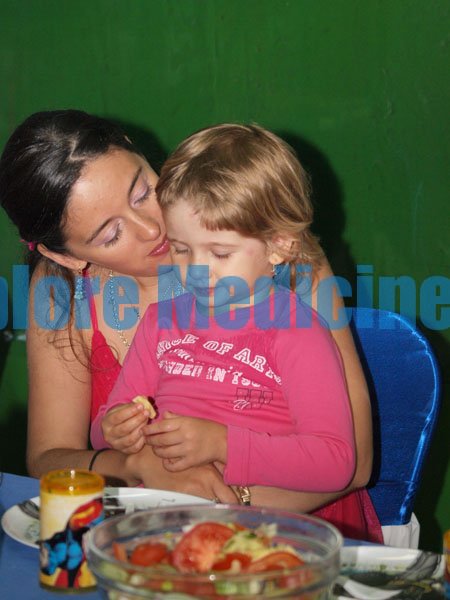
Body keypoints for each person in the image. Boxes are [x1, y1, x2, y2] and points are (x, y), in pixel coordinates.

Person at [0, 110, 380, 540]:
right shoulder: (62, 290)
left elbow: (354, 463)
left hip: (301, 527)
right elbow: (48, 458)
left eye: (142, 191)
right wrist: (133, 466)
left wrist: (221, 506)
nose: (151, 228)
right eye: (111, 235)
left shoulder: (271, 247)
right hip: (156, 529)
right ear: (65, 256)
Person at [93, 123, 357, 502]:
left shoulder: (298, 332)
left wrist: (223, 445)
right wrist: (115, 429)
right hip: (154, 509)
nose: (197, 270)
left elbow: (335, 461)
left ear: (279, 246)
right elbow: (104, 427)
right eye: (182, 249)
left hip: (250, 522)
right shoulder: (161, 321)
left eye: (219, 253)